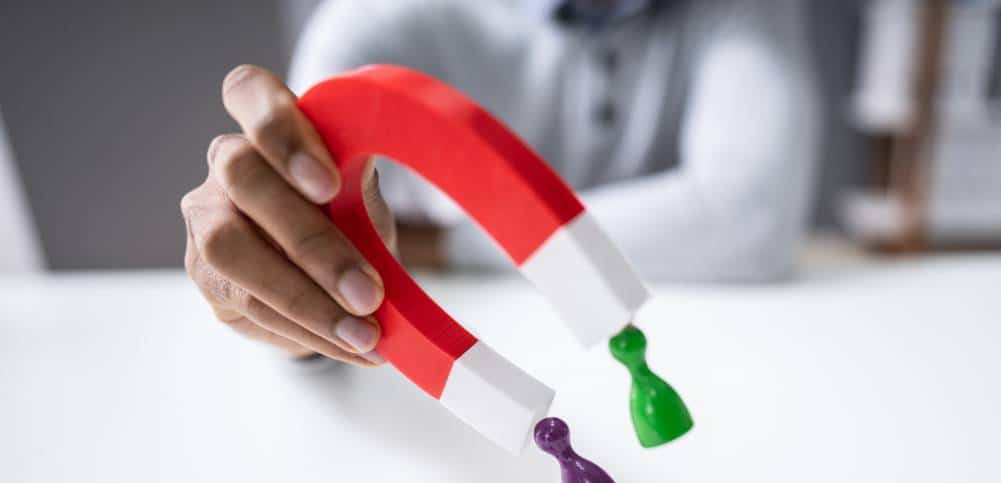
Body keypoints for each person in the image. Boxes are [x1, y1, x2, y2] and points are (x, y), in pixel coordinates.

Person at [180, 0, 817, 366]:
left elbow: (750, 219)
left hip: (696, 351)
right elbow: (307, 234)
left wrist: (437, 244)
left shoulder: (737, 12)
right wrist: (293, 291)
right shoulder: (378, 17)